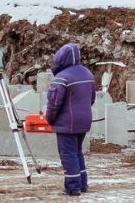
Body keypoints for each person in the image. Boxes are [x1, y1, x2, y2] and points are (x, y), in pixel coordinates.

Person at [45, 43, 95, 197]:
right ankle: (82, 183)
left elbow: (54, 104)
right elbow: (92, 99)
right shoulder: (88, 74)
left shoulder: (62, 78)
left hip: (67, 124)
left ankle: (73, 187)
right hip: (84, 121)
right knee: (77, 153)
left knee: (68, 154)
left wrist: (49, 119)